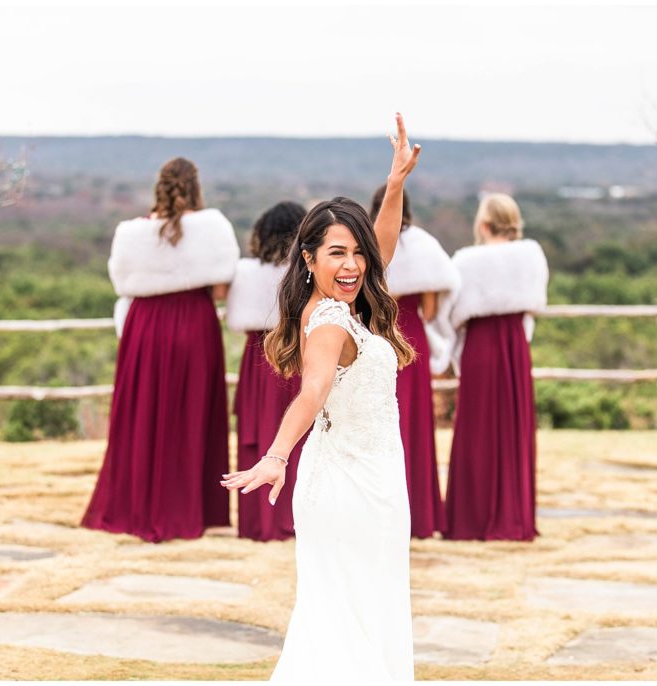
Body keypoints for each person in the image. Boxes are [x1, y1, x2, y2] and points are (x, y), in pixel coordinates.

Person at [221, 114, 421, 680]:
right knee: (348, 615)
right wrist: (275, 456)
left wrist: (396, 182)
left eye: (356, 253)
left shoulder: (345, 298)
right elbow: (311, 393)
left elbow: (381, 246)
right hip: (350, 487)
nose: (353, 264)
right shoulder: (332, 318)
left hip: (373, 478)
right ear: (307, 259)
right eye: (336, 253)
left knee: (364, 609)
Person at [82, 157, 240, 543]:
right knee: (191, 413)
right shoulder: (213, 228)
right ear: (195, 187)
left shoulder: (131, 233)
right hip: (193, 323)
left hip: (145, 327)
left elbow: (123, 284)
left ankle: (136, 506)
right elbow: (221, 290)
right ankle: (190, 509)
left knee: (143, 412)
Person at [444, 193, 548, 541]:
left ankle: (472, 518)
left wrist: (450, 352)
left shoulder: (466, 261)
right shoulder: (532, 255)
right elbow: (535, 305)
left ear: (484, 224)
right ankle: (513, 515)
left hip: (481, 346)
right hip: (515, 344)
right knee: (513, 426)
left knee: (477, 427)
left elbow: (451, 314)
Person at [369, 185, 459, 538]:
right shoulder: (425, 246)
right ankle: (419, 514)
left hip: (378, 335)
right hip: (413, 337)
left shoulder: (368, 243)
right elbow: (433, 309)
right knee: (416, 425)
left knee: (379, 421)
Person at [226, 201, 308, 541]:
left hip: (257, 359)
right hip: (298, 353)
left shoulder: (244, 273)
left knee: (259, 432)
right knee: (301, 435)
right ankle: (298, 518)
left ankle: (258, 522)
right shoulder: (303, 273)